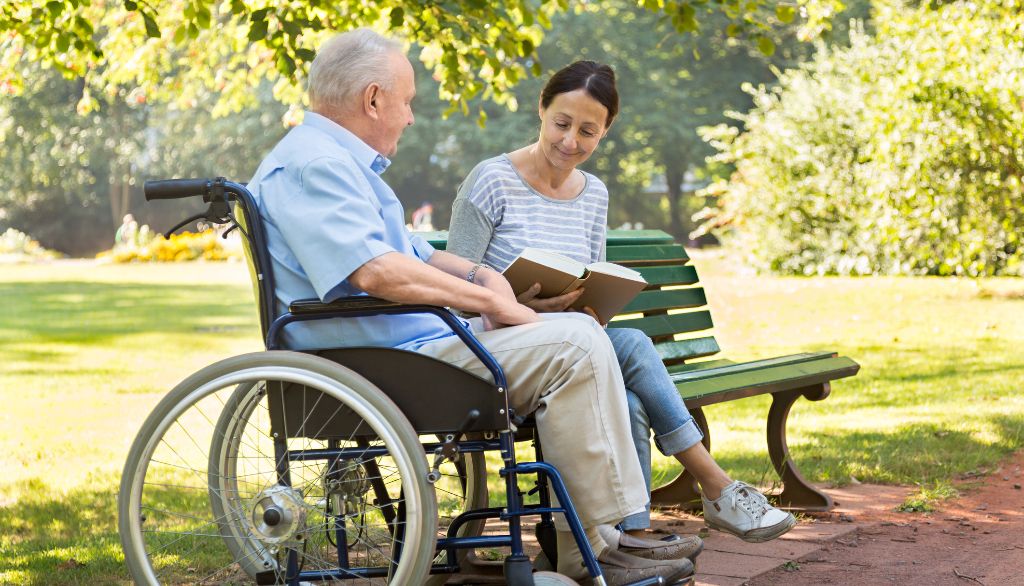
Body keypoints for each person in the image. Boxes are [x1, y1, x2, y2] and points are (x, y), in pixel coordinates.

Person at [246, 29, 694, 584]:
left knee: (581, 334)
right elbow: (375, 272)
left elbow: (416, 254)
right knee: (576, 344)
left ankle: (603, 541)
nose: (410, 117)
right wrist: (489, 301)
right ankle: (600, 545)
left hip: (409, 348)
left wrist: (483, 276)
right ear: (373, 99)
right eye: (406, 101)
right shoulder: (315, 165)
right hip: (381, 363)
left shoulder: (336, 163)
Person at [447, 60, 797, 546]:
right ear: (541, 109)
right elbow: (449, 286)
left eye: (588, 132)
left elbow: (592, 279)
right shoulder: (491, 180)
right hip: (497, 352)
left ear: (606, 131)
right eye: (562, 124)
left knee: (630, 398)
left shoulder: (594, 194)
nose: (571, 142)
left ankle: (629, 537)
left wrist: (586, 306)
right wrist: (517, 304)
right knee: (630, 342)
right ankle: (715, 485)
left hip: (569, 348)